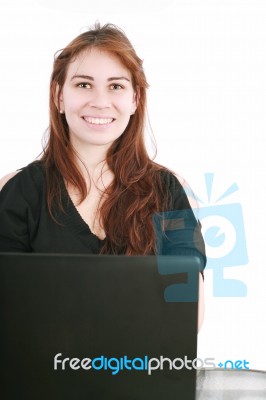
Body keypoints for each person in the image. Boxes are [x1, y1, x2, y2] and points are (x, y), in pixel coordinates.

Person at [0, 23, 206, 327]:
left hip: (139, 371)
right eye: (83, 84)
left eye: (116, 86)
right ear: (58, 96)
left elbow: (189, 317)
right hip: (41, 373)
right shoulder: (17, 191)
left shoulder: (170, 191)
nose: (99, 101)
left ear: (135, 99)